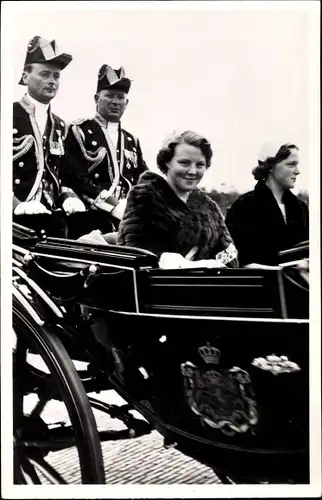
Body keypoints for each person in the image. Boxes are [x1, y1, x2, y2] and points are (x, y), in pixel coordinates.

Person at [117, 131, 238, 269]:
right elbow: (136, 251)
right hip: (158, 286)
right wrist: (191, 265)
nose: (193, 171)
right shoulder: (145, 197)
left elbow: (229, 254)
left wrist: (216, 265)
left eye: (200, 165)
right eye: (184, 163)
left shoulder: (209, 206)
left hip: (206, 285)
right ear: (167, 162)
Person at [60, 64, 148, 239]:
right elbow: (74, 177)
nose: (115, 101)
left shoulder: (132, 141)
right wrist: (113, 205)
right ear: (96, 99)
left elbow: (144, 181)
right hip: (91, 214)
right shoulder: (79, 131)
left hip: (127, 218)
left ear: (127, 103)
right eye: (109, 96)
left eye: (120, 97)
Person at [13, 36, 86, 238]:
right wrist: (15, 205)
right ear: (26, 77)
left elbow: (63, 173)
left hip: (50, 216)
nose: (52, 81)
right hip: (14, 219)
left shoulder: (61, 125)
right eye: (45, 74)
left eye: (56, 76)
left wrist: (68, 196)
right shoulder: (8, 115)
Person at [225, 142, 309, 267]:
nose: (297, 171)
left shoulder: (301, 208)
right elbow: (231, 256)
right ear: (271, 166)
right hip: (258, 283)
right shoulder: (244, 206)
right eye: (291, 165)